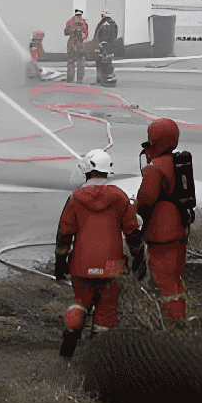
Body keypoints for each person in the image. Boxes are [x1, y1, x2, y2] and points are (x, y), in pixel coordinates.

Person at [55, 149, 145, 357]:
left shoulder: (75, 198)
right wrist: (139, 261)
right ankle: (97, 357)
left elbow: (64, 234)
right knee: (107, 308)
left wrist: (60, 263)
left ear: (86, 171)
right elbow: (132, 232)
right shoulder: (120, 197)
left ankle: (67, 350)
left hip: (81, 264)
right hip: (113, 267)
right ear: (107, 172)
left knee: (81, 302)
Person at [136, 118, 188, 323]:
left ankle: (171, 323)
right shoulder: (179, 162)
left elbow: (145, 201)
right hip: (179, 228)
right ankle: (181, 317)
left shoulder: (155, 168)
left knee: (163, 280)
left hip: (161, 233)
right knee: (176, 278)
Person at [92, 11, 119, 87]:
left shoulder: (112, 25)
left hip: (108, 47)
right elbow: (97, 34)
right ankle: (101, 80)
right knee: (100, 63)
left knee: (108, 63)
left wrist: (105, 42)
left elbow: (113, 36)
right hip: (102, 47)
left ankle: (110, 81)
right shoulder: (102, 25)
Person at [64, 9, 89, 83]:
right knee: (80, 60)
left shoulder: (70, 21)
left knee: (71, 60)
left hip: (71, 43)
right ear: (81, 14)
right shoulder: (84, 22)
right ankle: (80, 79)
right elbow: (86, 34)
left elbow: (66, 32)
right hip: (80, 43)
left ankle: (70, 79)